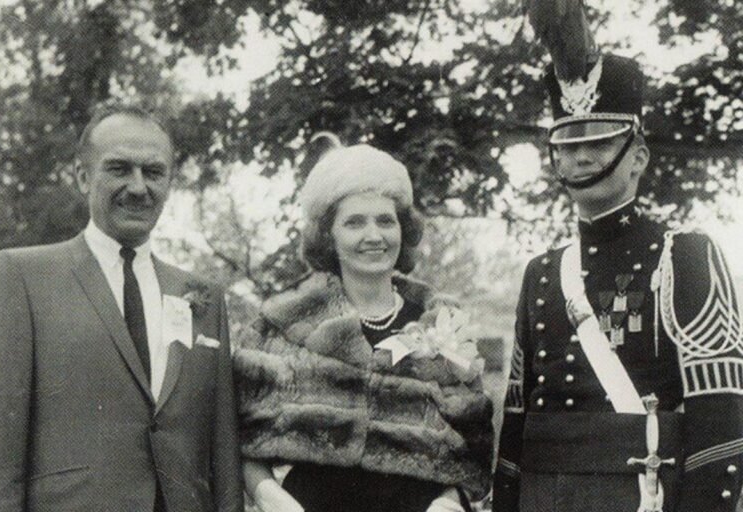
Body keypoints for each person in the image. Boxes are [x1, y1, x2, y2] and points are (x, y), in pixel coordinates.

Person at [491, 53, 743, 512]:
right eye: (568, 146)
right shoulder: (541, 272)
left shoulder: (684, 257)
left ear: (638, 157)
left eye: (601, 143)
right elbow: (516, 421)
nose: (581, 157)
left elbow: (720, 420)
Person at [0, 103, 243, 511]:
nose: (138, 187)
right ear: (83, 176)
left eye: (153, 172)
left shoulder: (202, 296)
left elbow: (223, 457)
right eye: (119, 169)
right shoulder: (21, 276)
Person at [232, 134, 494, 512]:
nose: (374, 236)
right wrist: (275, 502)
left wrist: (447, 505)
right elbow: (241, 443)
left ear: (403, 230)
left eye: (385, 221)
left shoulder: (444, 324)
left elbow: (475, 451)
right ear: (329, 236)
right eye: (354, 222)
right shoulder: (280, 327)